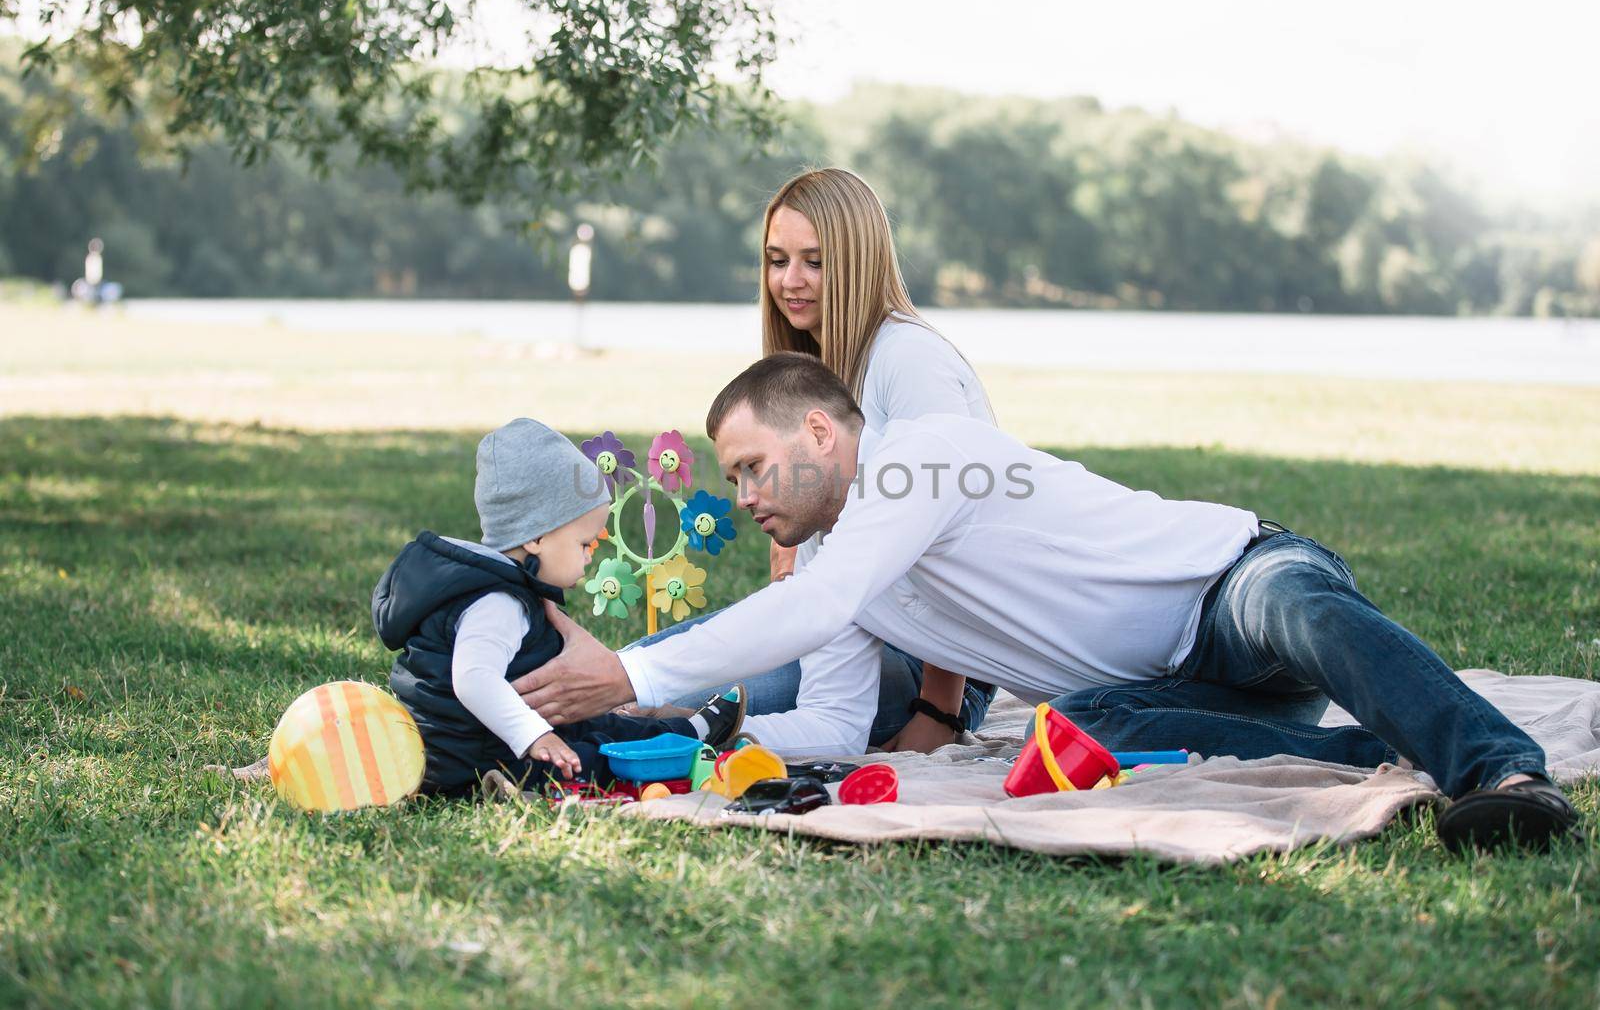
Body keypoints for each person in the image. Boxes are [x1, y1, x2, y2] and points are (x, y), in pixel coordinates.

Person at [521, 355, 1578, 851]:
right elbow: (837, 723)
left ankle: (1503, 769)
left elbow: (816, 604)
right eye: (731, 476)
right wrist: (656, 734)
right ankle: (1398, 749)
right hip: (1154, 691)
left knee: (1303, 610)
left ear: (822, 437)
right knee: (1085, 730)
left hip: (1225, 582)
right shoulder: (837, 561)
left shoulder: (918, 458)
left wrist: (634, 667)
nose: (742, 495)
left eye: (753, 467)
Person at [632, 167, 999, 752]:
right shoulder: (815, 369)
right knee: (637, 671)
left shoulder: (909, 359)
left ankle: (513, 729)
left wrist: (939, 712)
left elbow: (954, 543)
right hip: (841, 630)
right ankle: (484, 707)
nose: (791, 281)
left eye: (815, 261)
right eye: (778, 261)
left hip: (927, 659)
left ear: (857, 261)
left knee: (689, 699)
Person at [373, 418, 747, 796]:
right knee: (596, 758)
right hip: (480, 756)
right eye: (584, 544)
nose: (588, 558)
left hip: (490, 739)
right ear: (535, 537)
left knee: (596, 725)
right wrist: (534, 736)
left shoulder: (489, 584)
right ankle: (688, 748)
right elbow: (473, 679)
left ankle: (692, 732)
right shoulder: (497, 602)